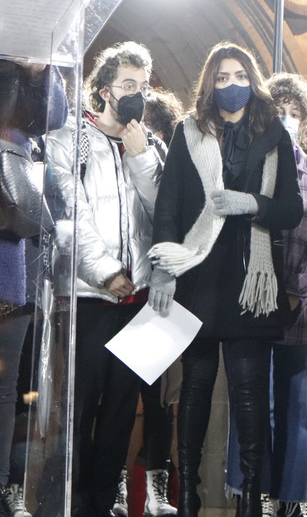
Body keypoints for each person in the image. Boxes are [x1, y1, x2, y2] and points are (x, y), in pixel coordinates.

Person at [148, 42, 303, 517]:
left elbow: (293, 208)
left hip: (251, 280)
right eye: (221, 77)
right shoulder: (188, 131)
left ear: (251, 80)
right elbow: (169, 204)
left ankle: (251, 496)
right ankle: (189, 494)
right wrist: (163, 268)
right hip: (198, 272)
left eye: (238, 75)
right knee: (195, 386)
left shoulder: (274, 134)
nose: (230, 84)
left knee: (250, 392)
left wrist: (252, 203)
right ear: (209, 84)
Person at [45, 41, 165, 517]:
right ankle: (73, 503)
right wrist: (106, 272)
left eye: (144, 86)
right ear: (102, 91)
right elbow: (69, 215)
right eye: (127, 86)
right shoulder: (68, 139)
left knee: (121, 412)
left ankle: (101, 505)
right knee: (80, 409)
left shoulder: (150, 145)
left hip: (137, 301)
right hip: (88, 297)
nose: (137, 95)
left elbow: (164, 213)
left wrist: (140, 158)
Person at [224, 72, 307, 517]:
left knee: (299, 409)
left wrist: (297, 292)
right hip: (252, 306)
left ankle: (292, 496)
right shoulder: (248, 168)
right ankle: (256, 492)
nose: (285, 120)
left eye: (294, 113)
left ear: (305, 122)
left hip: (301, 307)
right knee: (252, 404)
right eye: (278, 112)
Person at [113, 87, 185, 517]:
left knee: (160, 399)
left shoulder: (166, 162)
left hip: (158, 295)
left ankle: (159, 482)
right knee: (115, 399)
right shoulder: (111, 158)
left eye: (154, 125)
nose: (146, 132)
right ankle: (117, 482)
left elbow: (169, 215)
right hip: (119, 288)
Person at [0, 56, 67, 517]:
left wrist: (38, 70)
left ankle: (4, 486)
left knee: (6, 390)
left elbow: (55, 118)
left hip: (9, 254)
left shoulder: (30, 43)